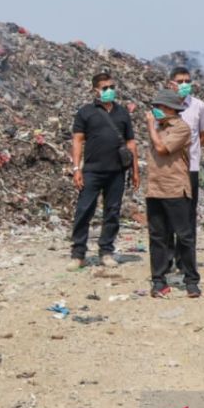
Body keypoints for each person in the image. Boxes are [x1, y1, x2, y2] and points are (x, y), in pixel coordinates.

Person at [69, 72, 140, 270]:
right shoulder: (85, 112)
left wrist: (135, 171)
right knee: (84, 210)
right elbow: (77, 140)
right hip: (92, 171)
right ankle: (78, 254)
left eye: (112, 87)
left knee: (112, 212)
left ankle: (106, 251)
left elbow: (131, 143)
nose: (110, 91)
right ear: (95, 90)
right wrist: (76, 168)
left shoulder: (122, 113)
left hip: (117, 172)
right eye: (105, 88)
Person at [144, 89, 198, 298]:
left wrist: (151, 127)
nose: (155, 111)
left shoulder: (181, 128)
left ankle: (191, 279)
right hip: (156, 188)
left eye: (158, 107)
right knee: (157, 236)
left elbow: (162, 149)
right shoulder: (160, 127)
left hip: (175, 188)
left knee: (183, 236)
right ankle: (159, 279)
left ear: (169, 109)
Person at [169, 67, 204, 214]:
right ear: (171, 84)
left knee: (188, 210)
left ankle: (188, 238)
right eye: (180, 81)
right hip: (169, 167)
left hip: (191, 167)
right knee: (170, 210)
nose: (184, 84)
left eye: (187, 81)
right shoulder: (164, 107)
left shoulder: (199, 106)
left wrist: (191, 150)